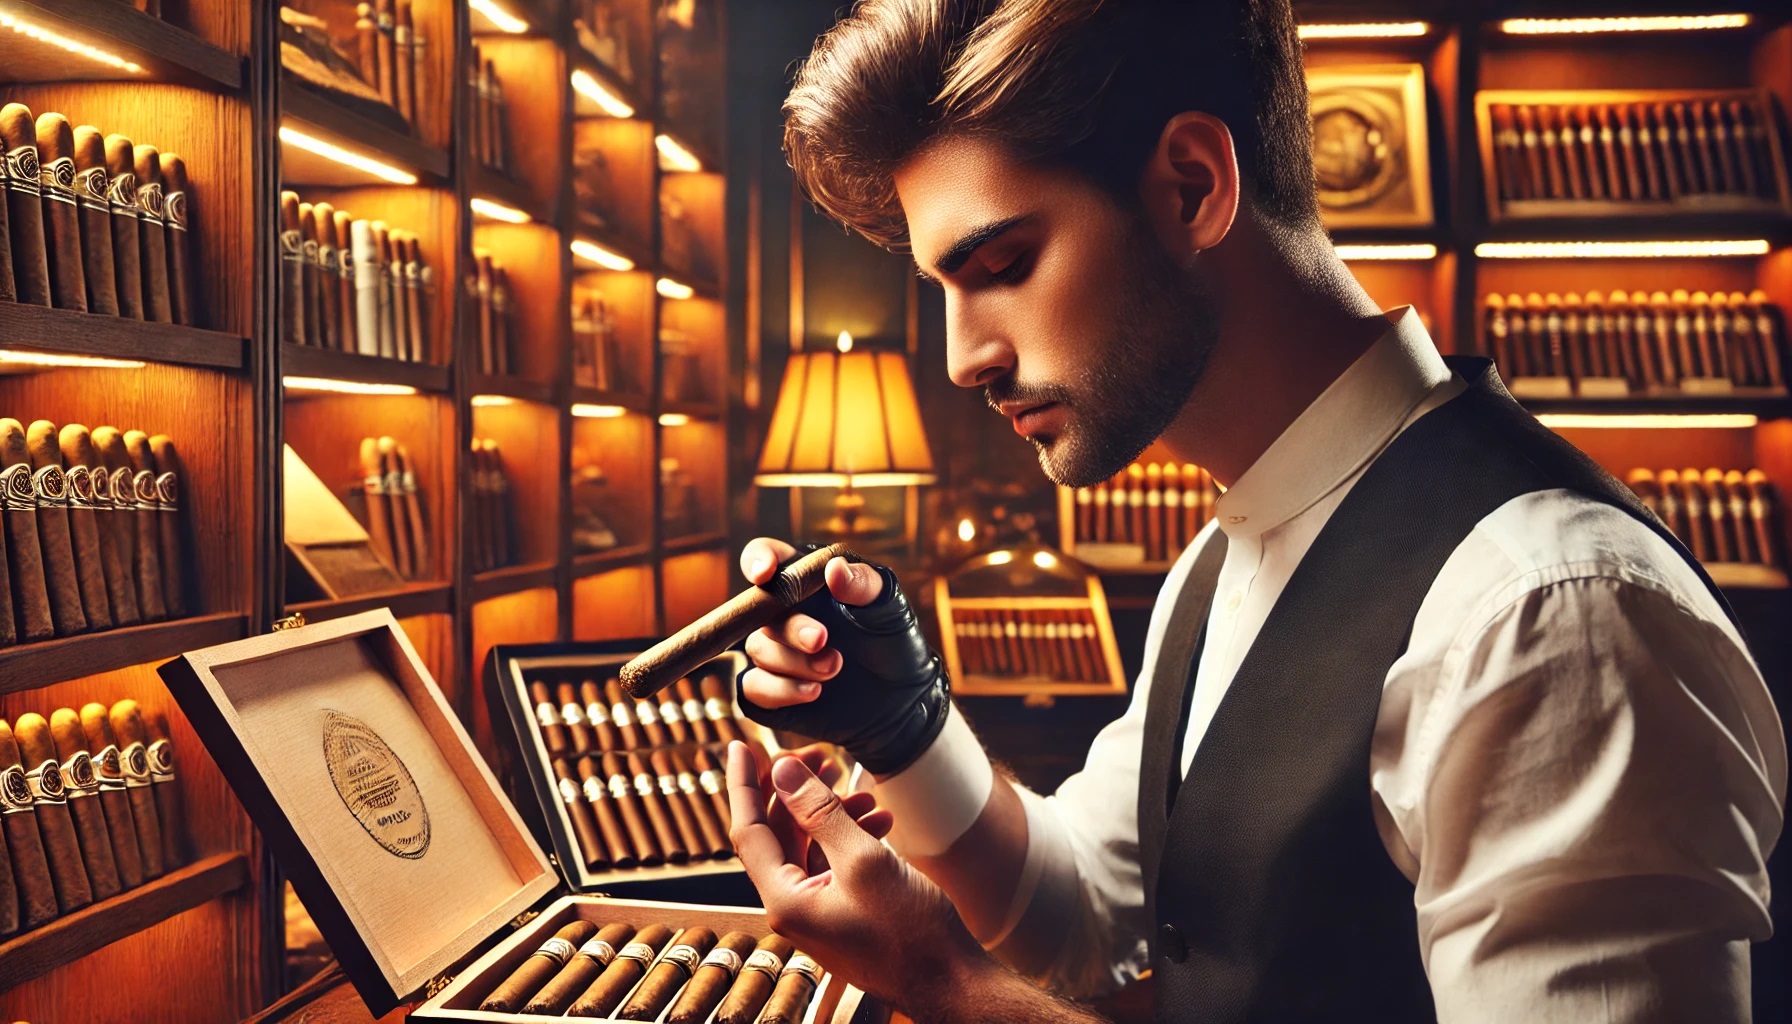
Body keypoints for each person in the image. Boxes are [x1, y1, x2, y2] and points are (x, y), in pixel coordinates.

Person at [722, 1, 1787, 1021]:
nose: (963, 358)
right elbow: (1084, 912)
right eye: (942, 290)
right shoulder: (1223, 557)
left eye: (1002, 265)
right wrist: (901, 729)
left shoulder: (1549, 615)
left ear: (1191, 187)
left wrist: (951, 990)